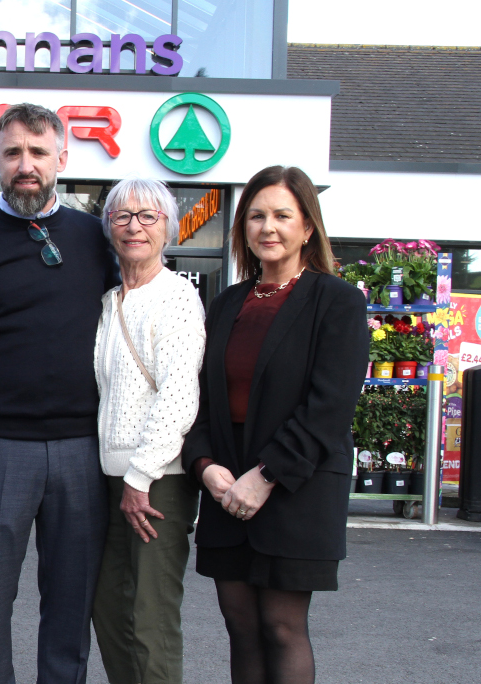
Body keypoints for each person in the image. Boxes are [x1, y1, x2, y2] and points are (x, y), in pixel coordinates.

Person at [0, 103, 118, 684]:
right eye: (13, 153)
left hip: (83, 449)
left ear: (62, 158)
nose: (26, 165)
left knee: (71, 599)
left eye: (38, 153)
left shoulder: (97, 238)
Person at [180, 165, 369, 684]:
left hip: (294, 485)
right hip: (226, 485)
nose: (269, 227)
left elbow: (329, 407)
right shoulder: (226, 303)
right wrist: (205, 467)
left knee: (282, 627)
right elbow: (198, 401)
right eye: (257, 215)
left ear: (308, 227)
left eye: (283, 215)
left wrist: (265, 477)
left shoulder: (337, 302)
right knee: (240, 626)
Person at [91, 178, 206, 684]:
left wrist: (139, 477)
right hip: (114, 479)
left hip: (158, 481)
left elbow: (179, 398)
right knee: (110, 608)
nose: (134, 226)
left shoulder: (177, 298)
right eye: (122, 216)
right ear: (108, 228)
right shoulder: (110, 300)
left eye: (148, 216)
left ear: (168, 228)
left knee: (150, 616)